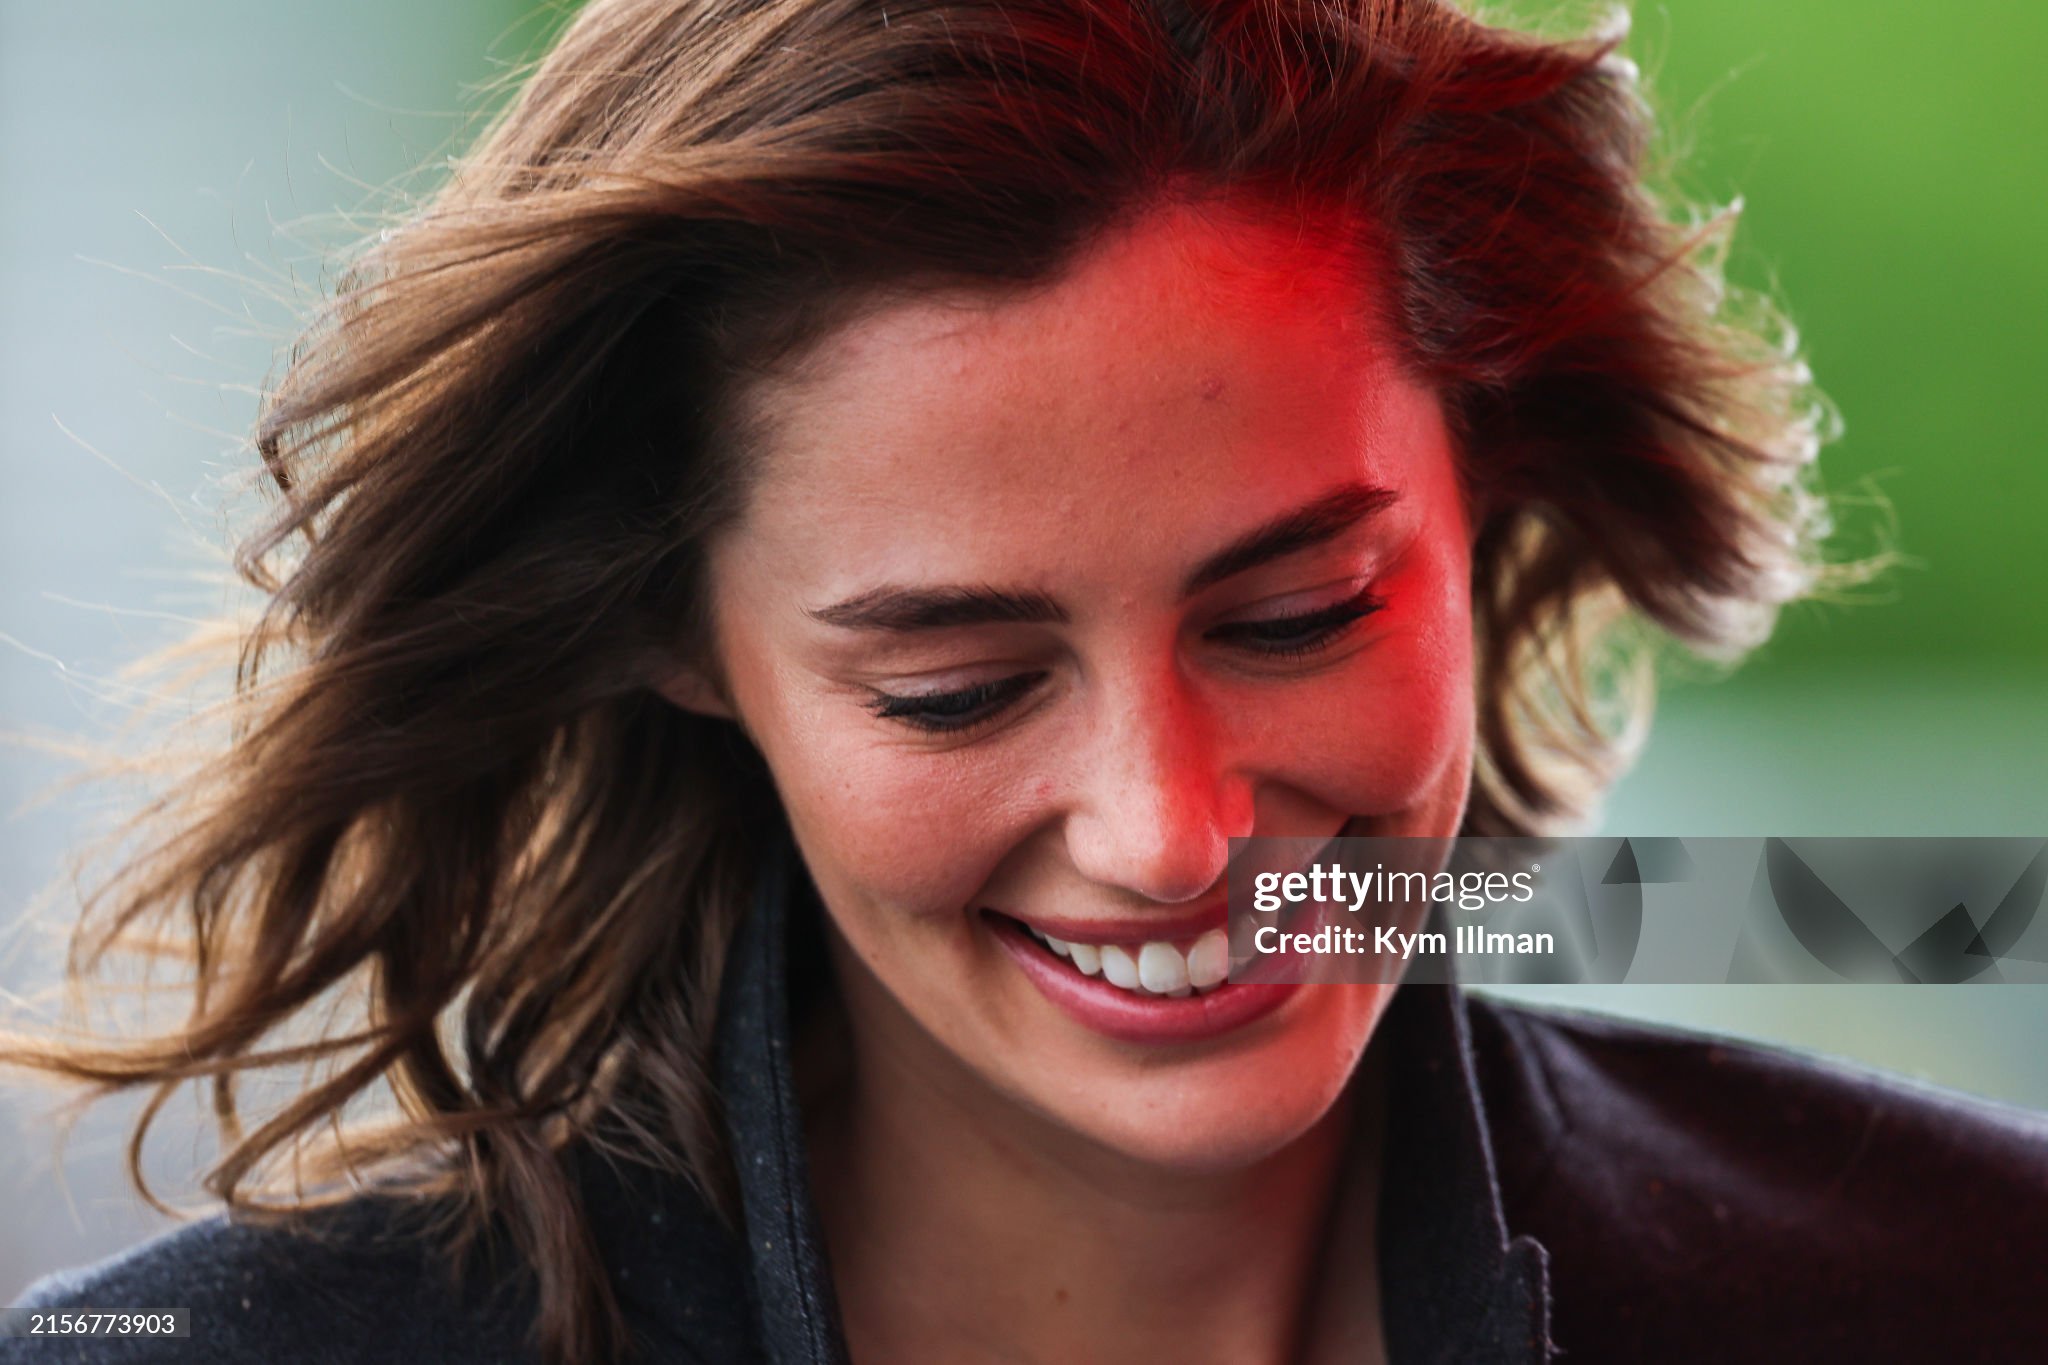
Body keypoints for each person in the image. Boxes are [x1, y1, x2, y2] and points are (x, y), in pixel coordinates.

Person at [3, 1, 2044, 1362]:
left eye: (1294, 614)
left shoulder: (1956, 1282)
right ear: (676, 640)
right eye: (960, 685)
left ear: (1486, 472)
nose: (1170, 835)